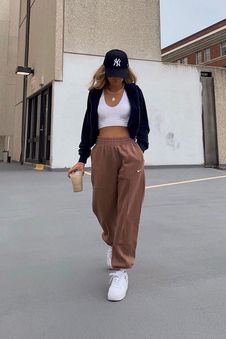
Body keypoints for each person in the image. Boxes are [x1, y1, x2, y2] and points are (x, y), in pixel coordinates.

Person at [68, 49, 150, 301]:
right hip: (101, 151)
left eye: (120, 74)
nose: (116, 79)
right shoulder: (95, 95)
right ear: (105, 71)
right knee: (101, 206)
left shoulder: (134, 92)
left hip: (129, 150)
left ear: (126, 72)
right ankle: (113, 241)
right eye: (112, 74)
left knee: (128, 209)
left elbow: (143, 124)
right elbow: (87, 127)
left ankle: (120, 268)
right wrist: (82, 159)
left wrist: (139, 148)